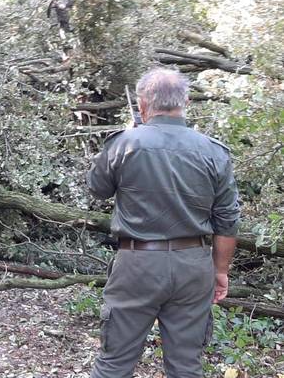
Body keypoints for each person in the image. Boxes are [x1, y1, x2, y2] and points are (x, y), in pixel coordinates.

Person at [87, 68, 241, 378]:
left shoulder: (123, 143)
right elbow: (227, 220)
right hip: (193, 266)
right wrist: (220, 270)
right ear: (185, 101)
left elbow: (97, 188)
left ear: (143, 103)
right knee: (186, 367)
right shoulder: (213, 151)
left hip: (137, 265)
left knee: (114, 364)